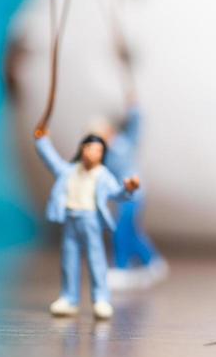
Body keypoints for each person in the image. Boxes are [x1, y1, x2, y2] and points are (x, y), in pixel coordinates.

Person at [34, 129, 140, 319]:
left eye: (98, 150)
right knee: (69, 260)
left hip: (90, 221)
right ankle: (69, 298)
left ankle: (100, 298)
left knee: (96, 260)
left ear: (103, 154)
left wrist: (128, 189)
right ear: (82, 149)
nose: (93, 153)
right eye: (90, 148)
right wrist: (42, 141)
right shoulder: (69, 171)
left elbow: (117, 194)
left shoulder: (103, 175)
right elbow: (51, 160)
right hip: (70, 220)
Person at [102, 105, 167, 289]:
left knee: (122, 230)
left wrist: (134, 108)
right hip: (123, 195)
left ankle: (123, 267)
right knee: (130, 231)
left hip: (134, 193)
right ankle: (151, 261)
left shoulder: (125, 143)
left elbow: (137, 126)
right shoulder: (105, 153)